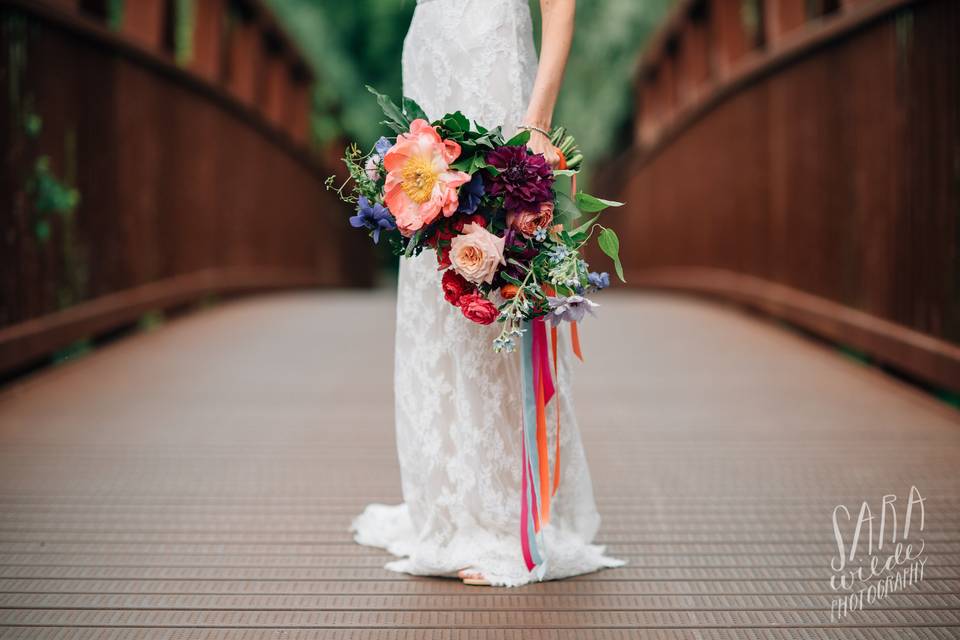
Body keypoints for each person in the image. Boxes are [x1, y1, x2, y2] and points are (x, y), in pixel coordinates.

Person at [351, 0, 623, 587]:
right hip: (431, 56)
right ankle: (447, 502)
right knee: (434, 273)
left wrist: (539, 124)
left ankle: (503, 517)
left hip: (495, 67)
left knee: (495, 271)